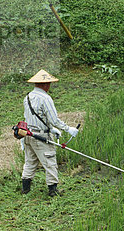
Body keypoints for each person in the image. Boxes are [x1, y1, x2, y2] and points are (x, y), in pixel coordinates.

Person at [20, 69, 79, 197]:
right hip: (41, 136)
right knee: (50, 161)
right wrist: (68, 128)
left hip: (28, 135)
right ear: (45, 84)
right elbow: (54, 119)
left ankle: (25, 189)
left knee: (30, 161)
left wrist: (51, 129)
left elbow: (29, 117)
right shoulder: (46, 98)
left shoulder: (28, 97)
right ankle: (53, 191)